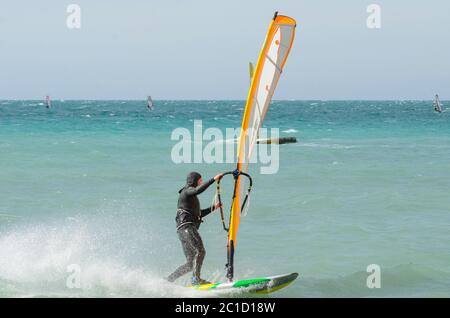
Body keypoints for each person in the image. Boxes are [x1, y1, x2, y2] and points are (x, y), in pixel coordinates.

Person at [167, 171, 223, 285]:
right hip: (187, 227)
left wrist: (214, 207)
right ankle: (196, 279)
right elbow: (198, 190)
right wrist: (213, 179)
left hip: (183, 230)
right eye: (200, 180)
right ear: (194, 180)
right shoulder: (187, 191)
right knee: (200, 251)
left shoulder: (190, 197)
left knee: (190, 263)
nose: (201, 182)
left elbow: (198, 214)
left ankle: (169, 280)